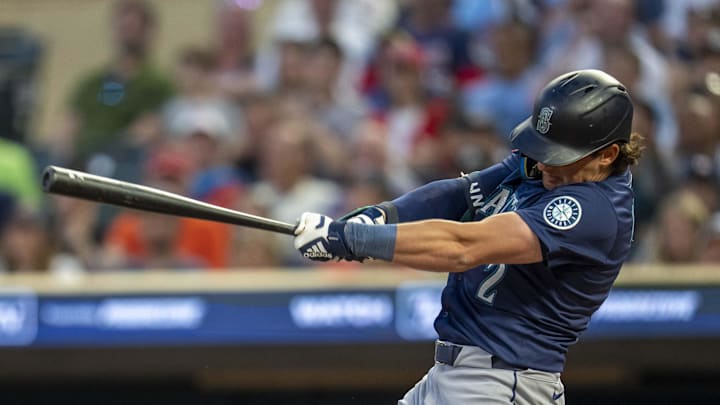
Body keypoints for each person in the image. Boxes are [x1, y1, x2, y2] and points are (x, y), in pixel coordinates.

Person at [293, 69, 642, 404]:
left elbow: (464, 246)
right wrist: (382, 215)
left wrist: (357, 241)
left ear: (607, 155)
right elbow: (462, 194)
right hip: (458, 376)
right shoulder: (548, 169)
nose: (545, 163)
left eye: (559, 155)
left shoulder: (595, 211)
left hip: (500, 381)